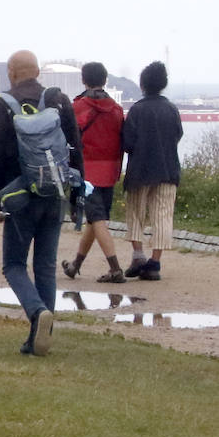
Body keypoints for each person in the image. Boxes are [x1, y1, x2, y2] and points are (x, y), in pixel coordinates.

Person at [0, 49, 83, 356]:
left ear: (11, 74)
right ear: (38, 72)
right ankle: (40, 338)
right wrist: (78, 195)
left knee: (13, 265)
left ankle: (37, 313)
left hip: (20, 196)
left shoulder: (3, 104)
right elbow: (75, 147)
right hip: (55, 195)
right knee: (45, 266)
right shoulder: (59, 100)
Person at [62, 62, 127, 283]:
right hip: (110, 171)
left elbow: (67, 139)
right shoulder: (117, 110)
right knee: (95, 220)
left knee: (97, 219)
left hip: (87, 172)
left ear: (83, 79)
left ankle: (115, 268)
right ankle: (75, 265)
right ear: (105, 80)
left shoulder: (78, 107)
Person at [121, 61, 183, 281]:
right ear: (164, 84)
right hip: (168, 169)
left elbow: (127, 142)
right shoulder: (172, 109)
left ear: (142, 85)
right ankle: (155, 262)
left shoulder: (137, 110)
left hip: (140, 171)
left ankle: (138, 255)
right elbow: (177, 135)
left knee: (135, 213)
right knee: (163, 215)